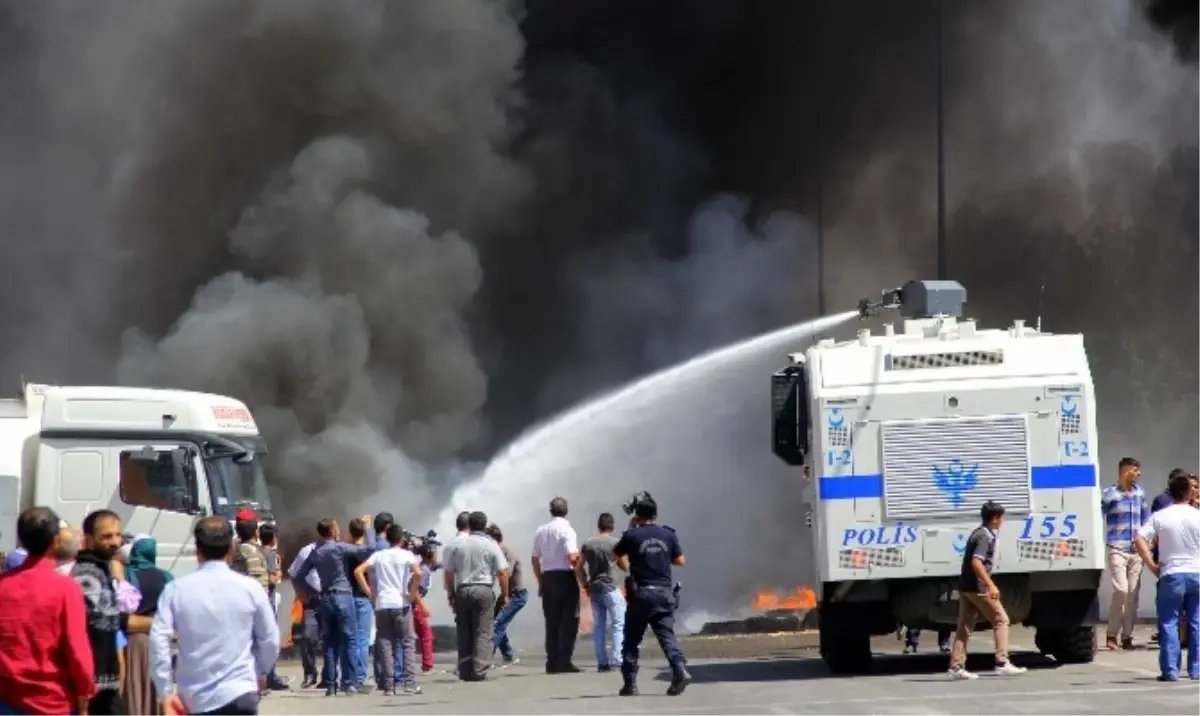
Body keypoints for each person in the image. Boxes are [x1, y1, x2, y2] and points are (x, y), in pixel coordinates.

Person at [151, 517, 280, 715]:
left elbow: (159, 641)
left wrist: (165, 692)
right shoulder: (250, 588)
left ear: (197, 550)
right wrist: (259, 671)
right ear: (232, 548)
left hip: (195, 699)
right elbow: (270, 639)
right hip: (241, 693)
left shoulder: (175, 590)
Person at [0, 507, 96, 716]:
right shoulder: (66, 588)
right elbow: (77, 648)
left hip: (7, 696)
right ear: (55, 541)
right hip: (52, 701)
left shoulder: (3, 585)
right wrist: (85, 691)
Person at [74, 509, 153, 716]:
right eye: (107, 536)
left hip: (104, 681)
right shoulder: (87, 574)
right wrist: (160, 622)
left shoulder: (102, 568)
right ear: (88, 540)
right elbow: (109, 619)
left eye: (118, 535)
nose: (115, 542)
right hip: (93, 680)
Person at [613, 495, 690, 696]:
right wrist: (661, 557)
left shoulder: (631, 536)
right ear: (655, 514)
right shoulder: (668, 534)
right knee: (667, 636)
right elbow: (681, 561)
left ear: (637, 515)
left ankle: (630, 684)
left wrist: (630, 560)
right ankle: (679, 669)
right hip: (664, 593)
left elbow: (615, 556)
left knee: (631, 639)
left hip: (641, 595)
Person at [947, 501, 1026, 680]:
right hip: (977, 587)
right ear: (995, 519)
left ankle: (956, 666)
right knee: (1001, 619)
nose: (1003, 521)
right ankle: (1002, 662)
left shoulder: (978, 533)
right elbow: (976, 562)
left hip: (966, 586)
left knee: (964, 626)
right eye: (1001, 518)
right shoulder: (984, 536)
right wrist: (990, 584)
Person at [1134, 471, 1200, 681]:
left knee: (1169, 622)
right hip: (1197, 573)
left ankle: (1170, 670)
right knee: (1196, 622)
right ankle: (1196, 669)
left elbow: (1139, 539)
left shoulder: (1160, 516)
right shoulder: (1197, 515)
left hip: (1171, 573)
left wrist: (1152, 566)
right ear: (1190, 493)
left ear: (1170, 494)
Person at [293, 519, 371, 696]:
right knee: (349, 639)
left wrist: (313, 591)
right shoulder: (339, 547)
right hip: (343, 595)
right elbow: (366, 550)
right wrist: (368, 531)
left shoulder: (315, 552)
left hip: (326, 597)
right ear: (332, 531)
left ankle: (330, 685)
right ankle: (349, 683)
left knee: (329, 642)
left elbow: (298, 576)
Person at [353, 523, 424, 695]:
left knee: (385, 643)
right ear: (401, 539)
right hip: (401, 603)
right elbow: (418, 573)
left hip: (382, 604)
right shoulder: (407, 555)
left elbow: (358, 571)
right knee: (406, 642)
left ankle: (389, 685)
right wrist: (412, 593)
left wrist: (370, 593)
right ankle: (410, 683)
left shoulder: (379, 555)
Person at [443, 511, 509, 682]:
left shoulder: (458, 544)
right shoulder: (490, 544)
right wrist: (505, 594)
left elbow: (449, 573)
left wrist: (450, 593)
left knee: (464, 629)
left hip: (463, 589)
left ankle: (465, 669)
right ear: (485, 526)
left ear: (469, 526)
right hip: (483, 589)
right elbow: (502, 571)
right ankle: (479, 670)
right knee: (483, 630)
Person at [1100, 457, 1149, 650]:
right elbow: (1098, 515)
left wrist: (1147, 542)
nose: (1138, 474)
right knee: (1121, 590)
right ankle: (1112, 633)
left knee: (1133, 593)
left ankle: (1127, 636)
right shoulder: (1109, 494)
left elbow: (1146, 520)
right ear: (1125, 471)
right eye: (1135, 470)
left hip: (1136, 550)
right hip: (1117, 548)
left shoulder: (1140, 493)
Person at [531, 496, 582, 674]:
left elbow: (535, 559)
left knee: (552, 621)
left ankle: (551, 661)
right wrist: (581, 578)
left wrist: (540, 580)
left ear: (550, 511)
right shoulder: (567, 530)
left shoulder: (541, 530)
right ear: (566, 511)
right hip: (565, 576)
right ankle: (564, 660)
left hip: (548, 576)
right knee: (569, 621)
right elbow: (572, 556)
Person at [123, 536, 172, 716]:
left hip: (134, 639)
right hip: (159, 637)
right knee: (157, 686)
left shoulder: (127, 575)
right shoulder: (166, 576)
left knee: (136, 686)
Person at [577, 512, 628, 672]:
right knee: (618, 623)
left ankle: (602, 662)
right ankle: (617, 659)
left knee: (599, 625)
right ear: (612, 526)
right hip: (611, 587)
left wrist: (585, 585)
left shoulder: (588, 544)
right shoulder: (616, 543)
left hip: (595, 588)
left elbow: (578, 568)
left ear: (599, 526)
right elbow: (625, 566)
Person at [486, 524, 528, 666]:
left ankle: (485, 659)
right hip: (507, 594)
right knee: (497, 623)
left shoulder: (506, 552)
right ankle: (508, 655)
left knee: (498, 624)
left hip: (516, 595)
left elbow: (505, 574)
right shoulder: (497, 552)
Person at [286, 536, 324, 689]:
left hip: (331, 598)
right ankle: (309, 674)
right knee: (308, 636)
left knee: (331, 639)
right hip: (312, 600)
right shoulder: (307, 551)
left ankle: (329, 677)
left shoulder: (338, 549)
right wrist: (300, 593)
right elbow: (293, 572)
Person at [343, 518, 375, 692]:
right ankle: (360, 677)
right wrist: (368, 529)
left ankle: (348, 676)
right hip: (362, 597)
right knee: (362, 639)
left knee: (350, 639)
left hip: (348, 597)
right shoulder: (363, 552)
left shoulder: (344, 551)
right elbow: (372, 548)